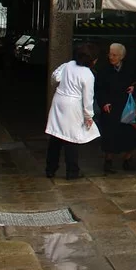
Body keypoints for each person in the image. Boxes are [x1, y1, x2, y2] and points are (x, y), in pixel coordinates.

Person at [45, 43, 100, 179]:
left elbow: (55, 77)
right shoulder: (88, 74)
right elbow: (88, 99)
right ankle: (72, 171)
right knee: (72, 138)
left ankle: (50, 168)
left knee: (56, 135)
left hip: (59, 100)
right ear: (92, 60)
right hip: (73, 104)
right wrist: (89, 116)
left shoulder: (68, 65)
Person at [95, 43, 136, 174]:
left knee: (130, 134)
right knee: (110, 135)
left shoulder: (130, 68)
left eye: (114, 55)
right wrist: (104, 103)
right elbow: (98, 89)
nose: (111, 57)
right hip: (110, 106)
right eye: (110, 54)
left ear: (121, 56)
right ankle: (108, 161)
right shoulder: (103, 69)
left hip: (126, 106)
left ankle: (128, 159)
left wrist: (134, 88)